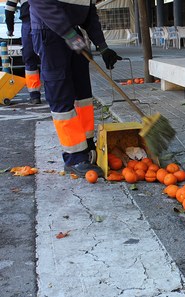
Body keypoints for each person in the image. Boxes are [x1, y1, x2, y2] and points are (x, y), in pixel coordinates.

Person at [28, 0, 122, 177]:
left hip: (73, 31)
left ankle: (86, 147)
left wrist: (103, 47)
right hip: (50, 30)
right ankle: (74, 157)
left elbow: (89, 12)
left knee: (83, 93)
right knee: (61, 93)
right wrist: (68, 33)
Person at [5, 0, 42, 104]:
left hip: (29, 24)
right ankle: (52, 93)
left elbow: (9, 9)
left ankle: (35, 96)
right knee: (48, 58)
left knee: (30, 59)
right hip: (47, 22)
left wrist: (10, 28)